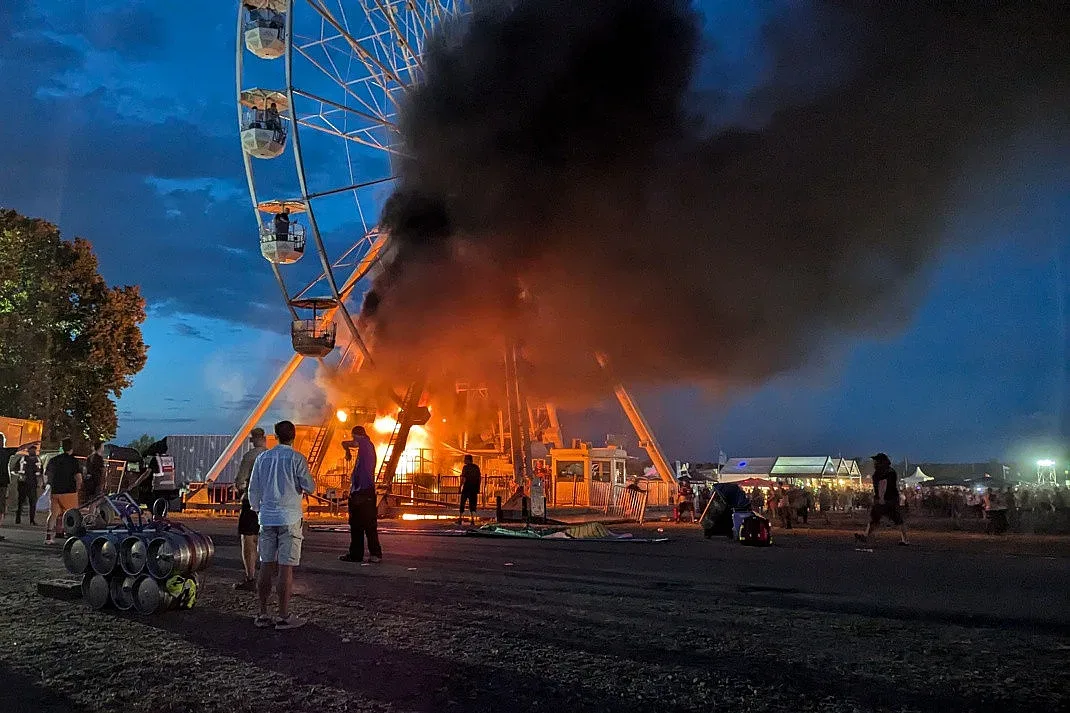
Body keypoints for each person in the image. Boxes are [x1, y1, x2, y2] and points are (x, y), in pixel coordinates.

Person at [247, 420, 315, 630]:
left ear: (274, 436)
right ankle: (284, 616)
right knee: (286, 568)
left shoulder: (262, 458)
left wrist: (258, 509)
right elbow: (309, 487)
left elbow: (253, 489)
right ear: (293, 436)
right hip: (290, 519)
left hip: (266, 518)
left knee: (266, 565)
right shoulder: (297, 458)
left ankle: (263, 613)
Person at [339, 425, 382, 563]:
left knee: (357, 526)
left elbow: (346, 443)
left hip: (362, 492)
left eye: (354, 437)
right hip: (366, 491)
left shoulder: (364, 444)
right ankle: (375, 554)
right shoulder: (367, 447)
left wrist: (347, 451)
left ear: (356, 435)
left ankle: (356, 554)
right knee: (369, 525)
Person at [234, 427, 268, 591]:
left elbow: (240, 481)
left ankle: (251, 577)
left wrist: (241, 488)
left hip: (251, 503)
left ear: (253, 439)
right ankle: (266, 578)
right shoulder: (271, 456)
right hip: (270, 505)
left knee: (248, 539)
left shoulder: (250, 457)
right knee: (267, 540)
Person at [856, 453, 908, 546]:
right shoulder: (891, 471)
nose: (874, 462)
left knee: (876, 518)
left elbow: (883, 484)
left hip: (886, 499)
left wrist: (881, 497)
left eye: (876, 461)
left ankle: (866, 536)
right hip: (891, 498)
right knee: (896, 518)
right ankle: (905, 539)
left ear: (881, 462)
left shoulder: (882, 472)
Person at [44, 438, 83, 544]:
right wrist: (79, 487)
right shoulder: (73, 461)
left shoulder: (54, 460)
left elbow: (47, 475)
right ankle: (71, 535)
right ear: (71, 448)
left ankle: (48, 537)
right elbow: (78, 477)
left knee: (53, 514)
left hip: (55, 491)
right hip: (69, 491)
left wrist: (48, 485)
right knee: (71, 514)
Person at [15, 445, 43, 525]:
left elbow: (40, 472)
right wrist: (20, 476)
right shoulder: (22, 459)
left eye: (34, 450)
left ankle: (32, 520)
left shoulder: (38, 460)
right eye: (31, 450)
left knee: (33, 502)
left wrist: (40, 482)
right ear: (28, 451)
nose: (33, 451)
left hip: (32, 484)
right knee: (20, 501)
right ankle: (18, 518)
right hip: (23, 483)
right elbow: (15, 469)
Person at [458, 454, 481, 526]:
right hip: (474, 488)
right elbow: (479, 478)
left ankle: (460, 519)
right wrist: (478, 487)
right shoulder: (476, 467)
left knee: (462, 503)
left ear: (468, 460)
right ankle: (472, 520)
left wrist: (459, 487)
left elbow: (463, 478)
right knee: (472, 504)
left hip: (467, 488)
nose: (464, 461)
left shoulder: (465, 467)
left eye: (465, 459)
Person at [0, 432, 15, 529]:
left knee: (1, 505)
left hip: (3, 482)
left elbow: (19, 448)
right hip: (2, 482)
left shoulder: (6, 452)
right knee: (1, 506)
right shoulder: (5, 452)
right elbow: (20, 448)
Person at [83, 440, 106, 505]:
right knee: (97, 500)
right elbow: (102, 470)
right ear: (100, 447)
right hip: (97, 481)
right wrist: (103, 481)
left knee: (90, 500)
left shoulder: (89, 457)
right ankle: (94, 513)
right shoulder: (99, 458)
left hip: (89, 481)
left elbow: (86, 469)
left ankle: (91, 513)